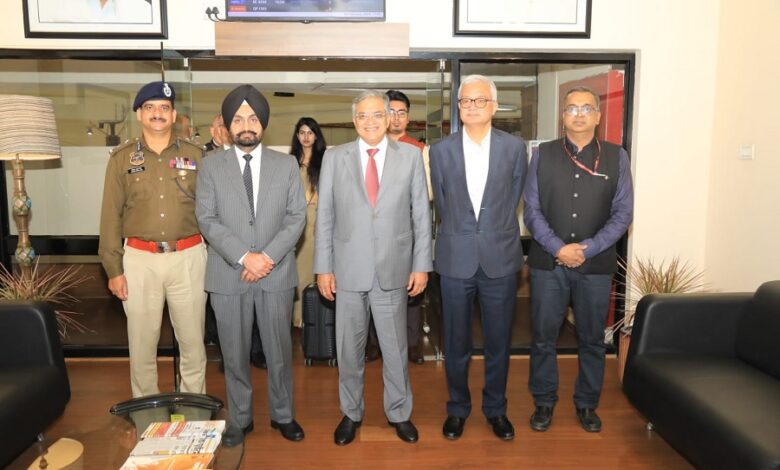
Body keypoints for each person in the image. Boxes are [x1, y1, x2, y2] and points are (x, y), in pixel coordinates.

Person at [314, 90, 432, 446]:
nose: (370, 121)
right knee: (349, 351)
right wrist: (323, 268)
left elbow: (421, 215)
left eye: (377, 115)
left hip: (393, 269)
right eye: (363, 115)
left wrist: (421, 265)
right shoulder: (334, 158)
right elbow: (325, 216)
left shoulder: (410, 156)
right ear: (354, 120)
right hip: (347, 271)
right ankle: (351, 413)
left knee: (395, 349)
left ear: (389, 118)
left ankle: (399, 412)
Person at [196, 84, 307, 446]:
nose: (246, 125)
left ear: (264, 124)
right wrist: (246, 256)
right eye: (239, 119)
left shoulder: (286, 164)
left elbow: (296, 217)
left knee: (279, 352)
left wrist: (267, 257)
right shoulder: (210, 166)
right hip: (229, 275)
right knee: (234, 354)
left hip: (276, 273)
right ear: (228, 125)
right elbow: (207, 218)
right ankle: (240, 419)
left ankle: (283, 415)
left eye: (254, 118)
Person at [524, 86, 634, 433]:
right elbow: (531, 210)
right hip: (548, 263)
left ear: (598, 116)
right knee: (543, 337)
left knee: (592, 339)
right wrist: (558, 248)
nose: (579, 114)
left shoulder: (617, 156)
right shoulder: (543, 154)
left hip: (595, 266)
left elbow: (623, 213)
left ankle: (587, 404)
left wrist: (588, 247)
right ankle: (544, 401)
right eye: (572, 108)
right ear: (563, 116)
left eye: (587, 108)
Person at [429, 74, 528, 441]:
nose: (472, 106)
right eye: (465, 101)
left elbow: (513, 196)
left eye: (480, 100)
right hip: (455, 257)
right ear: (458, 107)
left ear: (494, 106)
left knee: (498, 341)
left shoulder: (514, 148)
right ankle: (457, 408)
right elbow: (442, 203)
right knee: (455, 342)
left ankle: (496, 409)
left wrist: (490, 230)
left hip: (499, 257)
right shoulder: (440, 151)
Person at [98, 81, 207, 398]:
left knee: (193, 344)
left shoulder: (196, 155)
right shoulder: (121, 159)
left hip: (188, 257)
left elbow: (211, 211)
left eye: (164, 107)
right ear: (139, 114)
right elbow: (110, 215)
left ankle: (193, 406)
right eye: (150, 107)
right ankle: (147, 410)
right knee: (142, 344)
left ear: (173, 115)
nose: (157, 113)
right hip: (139, 261)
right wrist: (113, 269)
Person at [384, 89, 430, 365]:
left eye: (401, 113)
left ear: (408, 117)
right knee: (376, 286)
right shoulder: (372, 146)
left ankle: (412, 344)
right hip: (377, 232)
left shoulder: (418, 149)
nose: (396, 118)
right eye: (391, 112)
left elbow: (428, 193)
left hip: (409, 229)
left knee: (412, 289)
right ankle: (374, 343)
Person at [289, 117, 327, 328]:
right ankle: (297, 318)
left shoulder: (325, 160)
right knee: (296, 270)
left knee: (313, 268)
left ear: (316, 136)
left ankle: (313, 318)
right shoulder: (290, 161)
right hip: (293, 219)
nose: (306, 137)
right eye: (302, 132)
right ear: (297, 136)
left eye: (310, 133)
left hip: (317, 219)